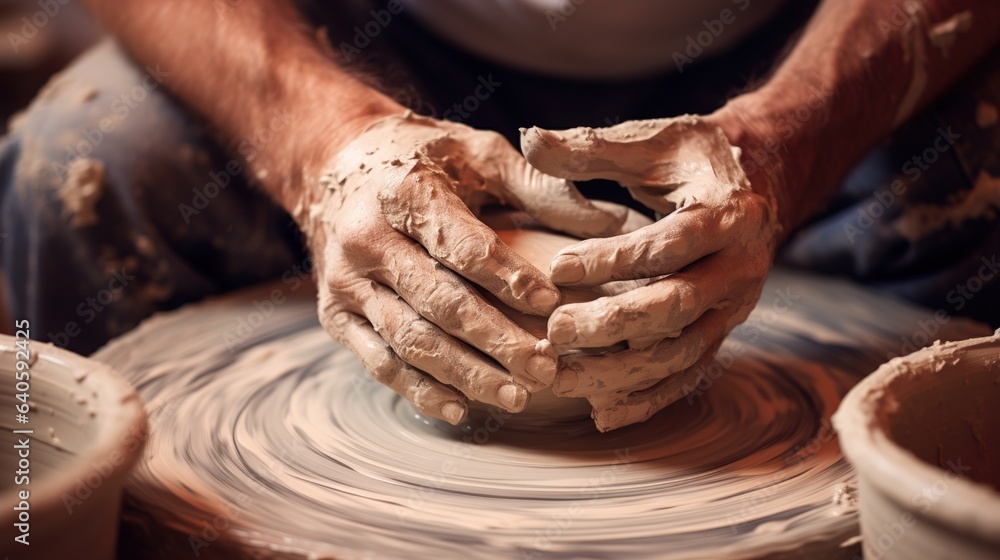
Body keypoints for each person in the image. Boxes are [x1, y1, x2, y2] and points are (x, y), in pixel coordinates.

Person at [1, 0, 998, 431]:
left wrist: (788, 145)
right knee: (83, 164)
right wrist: (323, 144)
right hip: (344, 43)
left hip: (798, 50)